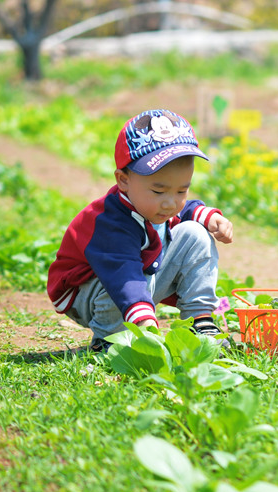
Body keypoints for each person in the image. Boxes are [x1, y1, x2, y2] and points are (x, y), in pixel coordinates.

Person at [47, 108, 233, 352]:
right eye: (158, 191)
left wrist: (206, 216)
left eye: (181, 190)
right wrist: (146, 324)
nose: (170, 202)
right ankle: (109, 339)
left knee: (195, 233)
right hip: (86, 289)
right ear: (123, 180)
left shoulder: (152, 204)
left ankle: (199, 322)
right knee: (129, 272)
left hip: (137, 273)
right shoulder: (110, 222)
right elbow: (123, 277)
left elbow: (183, 210)